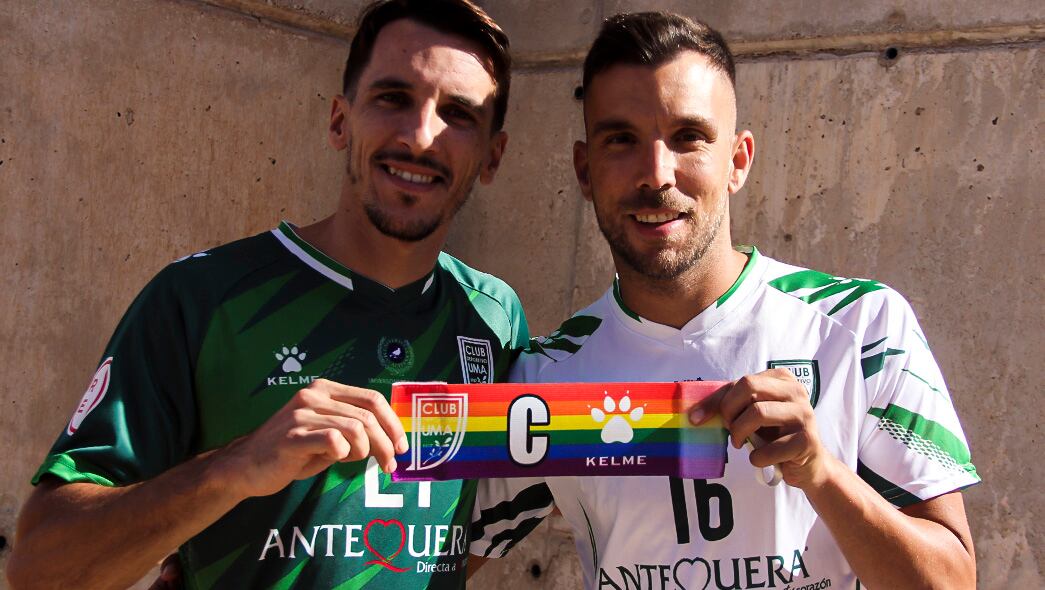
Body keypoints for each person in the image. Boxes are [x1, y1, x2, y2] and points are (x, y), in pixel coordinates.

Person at [7, 1, 528, 588]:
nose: (420, 136)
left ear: (493, 156)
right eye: (392, 97)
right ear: (339, 121)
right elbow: (37, 570)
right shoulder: (199, 299)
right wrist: (233, 468)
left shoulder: (496, 319)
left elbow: (462, 531)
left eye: (458, 114)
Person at [469, 12, 979, 590]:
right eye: (621, 140)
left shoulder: (862, 327)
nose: (657, 174)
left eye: (688, 137)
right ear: (584, 170)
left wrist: (823, 475)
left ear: (737, 160)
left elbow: (952, 582)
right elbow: (423, 561)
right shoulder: (549, 375)